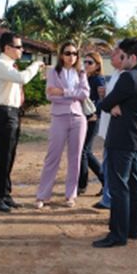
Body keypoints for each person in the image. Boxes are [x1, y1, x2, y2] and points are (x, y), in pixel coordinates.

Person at [92, 38, 137, 248]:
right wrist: (113, 104)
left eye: (122, 56)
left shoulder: (128, 77)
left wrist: (111, 104)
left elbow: (105, 103)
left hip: (122, 140)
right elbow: (112, 103)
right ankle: (131, 230)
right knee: (134, 185)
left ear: (132, 57)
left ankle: (117, 234)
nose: (119, 59)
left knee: (119, 188)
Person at [0, 32, 44, 213]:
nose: (22, 50)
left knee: (9, 156)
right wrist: (36, 65)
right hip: (3, 113)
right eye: (18, 47)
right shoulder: (0, 65)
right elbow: (22, 78)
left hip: (11, 113)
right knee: (3, 157)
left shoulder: (9, 65)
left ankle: (4, 194)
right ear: (7, 48)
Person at [35, 42, 90, 208]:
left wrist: (64, 92)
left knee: (75, 158)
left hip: (78, 118)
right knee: (52, 157)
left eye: (74, 53)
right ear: (61, 55)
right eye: (68, 53)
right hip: (59, 117)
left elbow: (85, 94)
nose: (71, 56)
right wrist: (72, 94)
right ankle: (43, 195)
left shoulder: (80, 72)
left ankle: (70, 195)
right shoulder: (53, 72)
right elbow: (50, 95)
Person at [92, 46, 125, 210]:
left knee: (113, 169)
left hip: (117, 132)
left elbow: (119, 105)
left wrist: (108, 102)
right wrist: (104, 96)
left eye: (114, 55)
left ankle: (109, 200)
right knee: (107, 166)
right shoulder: (117, 74)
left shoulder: (126, 76)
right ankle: (107, 198)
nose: (111, 58)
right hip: (109, 130)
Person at [78, 51, 106, 195]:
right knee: (84, 151)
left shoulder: (98, 80)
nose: (86, 65)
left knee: (84, 151)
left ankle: (83, 184)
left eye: (90, 62)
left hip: (93, 119)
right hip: (84, 117)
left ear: (97, 65)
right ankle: (100, 181)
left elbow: (102, 99)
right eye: (85, 61)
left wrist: (97, 114)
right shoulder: (85, 77)